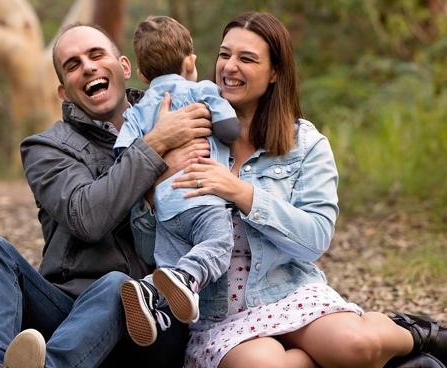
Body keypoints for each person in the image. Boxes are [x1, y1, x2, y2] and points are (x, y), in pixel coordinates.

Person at [169, 11, 447, 368]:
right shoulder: (191, 134)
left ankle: (419, 333)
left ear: (274, 74)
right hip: (221, 314)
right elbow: (159, 232)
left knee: (356, 345)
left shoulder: (306, 144)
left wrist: (242, 193)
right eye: (224, 55)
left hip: (289, 291)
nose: (229, 67)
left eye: (246, 58)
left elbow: (315, 238)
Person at [0, 23, 212, 368]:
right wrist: (154, 146)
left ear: (124, 67)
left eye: (96, 54)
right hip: (67, 311)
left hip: (151, 319)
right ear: (64, 92)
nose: (88, 67)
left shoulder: (178, 114)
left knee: (118, 287)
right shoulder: (46, 148)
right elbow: (86, 217)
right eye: (73, 64)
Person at [113, 15, 240, 347]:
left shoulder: (137, 110)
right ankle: (188, 276)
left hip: (165, 210)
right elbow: (230, 131)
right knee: (217, 247)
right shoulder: (203, 90)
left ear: (141, 74)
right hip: (204, 198)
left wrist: (159, 141)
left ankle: (149, 292)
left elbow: (126, 156)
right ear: (191, 61)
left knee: (166, 266)